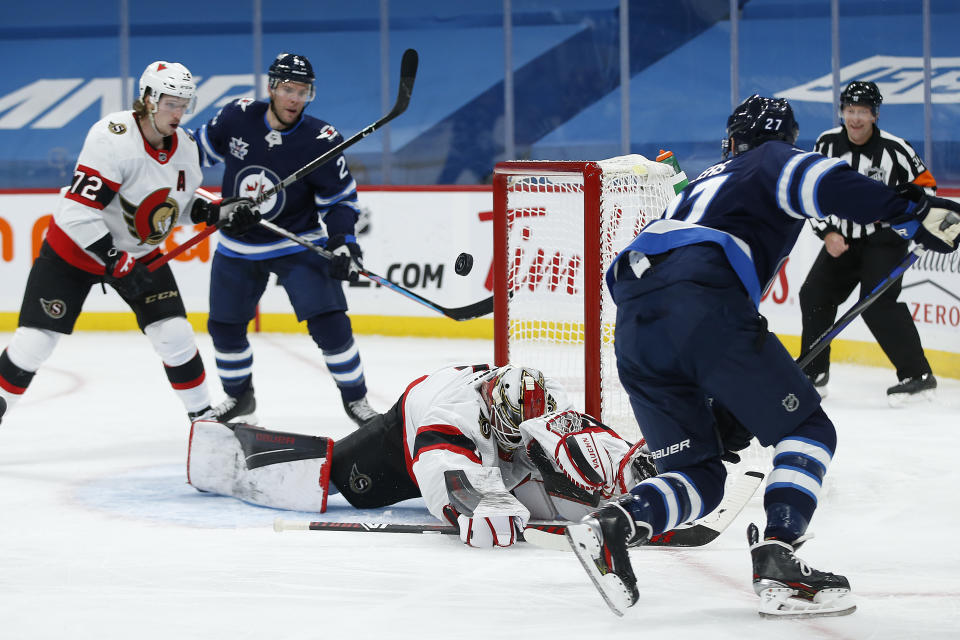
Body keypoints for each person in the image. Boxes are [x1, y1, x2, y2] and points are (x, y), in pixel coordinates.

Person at [564, 95, 960, 617]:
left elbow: (682, 296)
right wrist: (915, 211)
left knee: (700, 475)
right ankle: (779, 558)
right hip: (705, 305)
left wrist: (725, 395)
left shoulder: (703, 182)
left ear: (732, 137)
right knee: (809, 433)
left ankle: (615, 524)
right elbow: (824, 183)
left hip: (637, 325)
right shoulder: (769, 161)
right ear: (783, 140)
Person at [0, 61, 257, 424]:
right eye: (171, 103)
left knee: (175, 335)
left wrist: (215, 211)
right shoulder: (113, 137)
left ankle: (203, 423)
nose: (179, 113)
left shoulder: (184, 147)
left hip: (139, 253)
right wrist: (115, 260)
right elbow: (77, 212)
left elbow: (175, 206)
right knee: (35, 342)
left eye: (185, 104)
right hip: (73, 252)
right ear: (149, 99)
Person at [186, 364, 656, 547]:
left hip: (477, 441)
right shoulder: (449, 412)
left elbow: (576, 428)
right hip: (400, 441)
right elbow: (442, 466)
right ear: (492, 408)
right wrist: (474, 502)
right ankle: (239, 451)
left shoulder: (539, 392)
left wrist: (627, 463)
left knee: (543, 460)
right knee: (343, 479)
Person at [194, 52, 375, 428]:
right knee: (224, 328)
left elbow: (340, 201)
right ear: (272, 88)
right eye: (288, 89)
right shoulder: (236, 116)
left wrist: (343, 242)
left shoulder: (321, 139)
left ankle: (357, 402)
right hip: (238, 244)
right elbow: (192, 154)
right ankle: (239, 397)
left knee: (331, 324)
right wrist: (215, 206)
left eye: (303, 91)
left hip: (296, 239)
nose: (295, 99)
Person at [799, 80, 938, 404]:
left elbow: (927, 188)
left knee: (878, 304)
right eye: (850, 110)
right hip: (842, 238)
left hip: (884, 240)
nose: (856, 118)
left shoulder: (895, 148)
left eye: (863, 111)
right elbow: (809, 191)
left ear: (875, 115)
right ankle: (814, 374)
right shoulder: (826, 144)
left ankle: (917, 376)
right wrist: (827, 233)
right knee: (815, 293)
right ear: (842, 112)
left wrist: (906, 225)